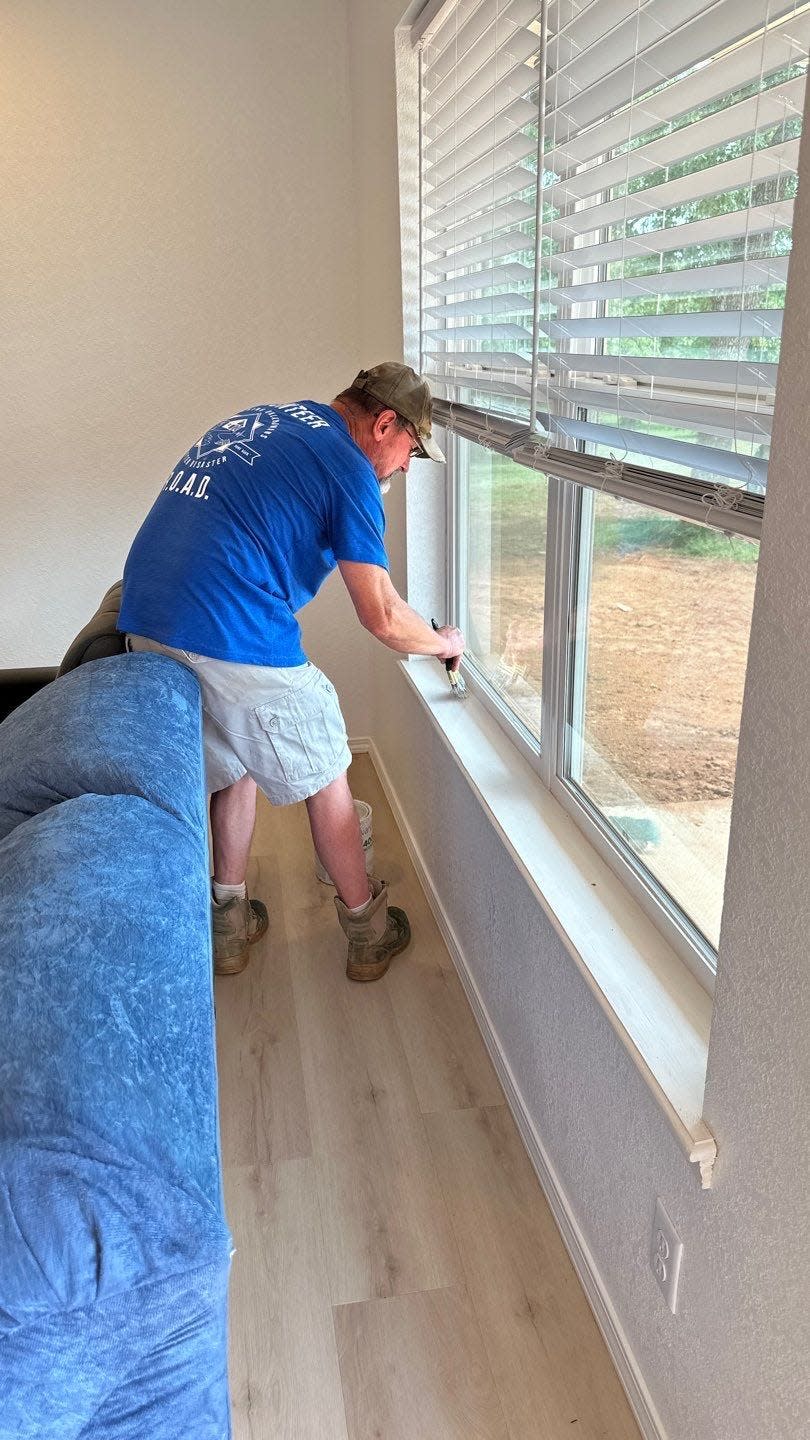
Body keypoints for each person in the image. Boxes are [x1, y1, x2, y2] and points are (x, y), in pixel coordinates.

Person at [118, 363, 465, 980]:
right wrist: (441, 645)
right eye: (410, 448)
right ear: (384, 423)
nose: (407, 465)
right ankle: (369, 930)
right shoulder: (349, 469)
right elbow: (382, 616)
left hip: (146, 614)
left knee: (234, 759)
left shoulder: (269, 419)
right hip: (225, 623)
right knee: (328, 768)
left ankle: (228, 926)